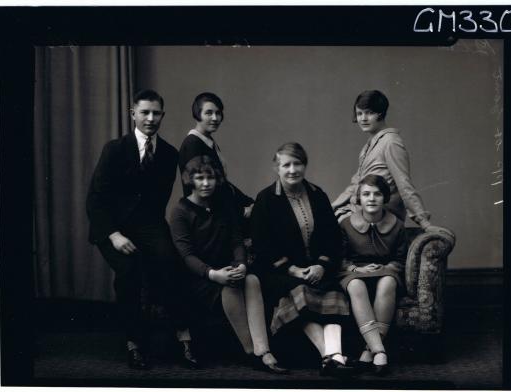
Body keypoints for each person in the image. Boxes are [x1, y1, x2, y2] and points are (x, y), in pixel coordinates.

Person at [86, 89, 199, 370]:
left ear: (163, 115)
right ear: (132, 114)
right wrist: (113, 235)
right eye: (145, 112)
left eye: (156, 113)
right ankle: (134, 344)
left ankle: (182, 337)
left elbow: (155, 204)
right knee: (129, 271)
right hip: (112, 227)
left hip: (149, 226)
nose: (150, 118)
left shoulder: (169, 153)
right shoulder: (115, 148)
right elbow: (96, 198)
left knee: (172, 262)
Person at [169, 156, 287, 374]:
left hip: (224, 269)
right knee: (231, 284)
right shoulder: (181, 211)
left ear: (217, 179)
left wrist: (241, 264)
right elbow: (186, 256)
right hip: (196, 278)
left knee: (250, 278)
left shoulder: (223, 206)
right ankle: (251, 351)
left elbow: (236, 240)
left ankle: (264, 350)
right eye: (200, 178)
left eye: (210, 178)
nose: (206, 183)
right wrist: (212, 274)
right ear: (190, 180)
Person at [250, 142, 354, 377]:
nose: (292, 169)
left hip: (317, 268)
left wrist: (321, 264)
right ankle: (331, 356)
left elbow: (333, 238)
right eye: (286, 164)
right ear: (276, 168)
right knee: (300, 293)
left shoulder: (318, 195)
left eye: (297, 163)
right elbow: (262, 246)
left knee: (333, 293)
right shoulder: (266, 199)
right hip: (279, 273)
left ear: (304, 165)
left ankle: (333, 358)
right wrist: (292, 269)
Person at [332, 90, 448, 237]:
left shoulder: (391, 143)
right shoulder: (369, 146)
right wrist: (331, 206)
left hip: (380, 217)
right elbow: (355, 184)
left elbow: (404, 184)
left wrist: (424, 222)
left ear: (380, 113)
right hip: (361, 211)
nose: (363, 118)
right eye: (359, 113)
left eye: (369, 113)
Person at [338, 174, 408, 376]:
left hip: (385, 271)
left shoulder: (397, 226)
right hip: (353, 272)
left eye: (377, 194)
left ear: (384, 198)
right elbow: (340, 259)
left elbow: (400, 260)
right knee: (356, 285)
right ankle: (379, 350)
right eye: (366, 194)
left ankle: (370, 350)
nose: (371, 198)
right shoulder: (346, 224)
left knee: (388, 282)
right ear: (358, 198)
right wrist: (355, 270)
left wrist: (383, 269)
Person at [178, 92, 254, 227]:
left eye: (218, 113)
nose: (215, 118)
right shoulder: (193, 144)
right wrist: (241, 211)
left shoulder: (208, 142)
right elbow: (204, 191)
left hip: (220, 211)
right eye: (208, 113)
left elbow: (223, 184)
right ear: (197, 114)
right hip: (206, 220)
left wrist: (249, 202)